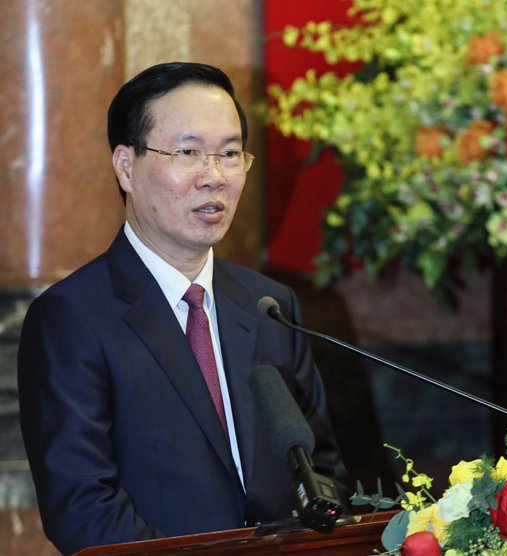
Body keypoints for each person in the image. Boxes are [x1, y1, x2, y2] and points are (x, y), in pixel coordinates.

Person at [17, 62, 348, 555]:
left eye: (230, 154)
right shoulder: (71, 318)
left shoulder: (269, 306)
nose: (213, 177)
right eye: (188, 152)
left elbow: (320, 471)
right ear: (126, 166)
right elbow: (83, 510)